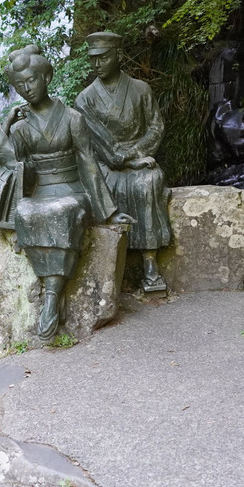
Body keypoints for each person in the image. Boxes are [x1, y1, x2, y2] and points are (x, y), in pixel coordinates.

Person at [0, 45, 127, 340]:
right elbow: (2, 164)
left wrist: (108, 209)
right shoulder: (19, 128)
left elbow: (89, 164)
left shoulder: (72, 118)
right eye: (20, 86)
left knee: (63, 211)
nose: (27, 89)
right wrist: (5, 125)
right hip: (39, 191)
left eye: (32, 81)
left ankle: (53, 294)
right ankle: (52, 287)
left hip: (72, 189)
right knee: (26, 211)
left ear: (47, 77)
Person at [75, 31, 172, 292]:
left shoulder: (141, 89)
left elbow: (155, 127)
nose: (97, 65)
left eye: (103, 58)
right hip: (107, 166)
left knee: (148, 183)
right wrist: (125, 160)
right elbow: (102, 145)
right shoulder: (85, 99)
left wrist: (138, 153)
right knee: (103, 187)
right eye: (93, 59)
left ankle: (150, 264)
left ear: (118, 56)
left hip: (143, 160)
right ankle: (109, 266)